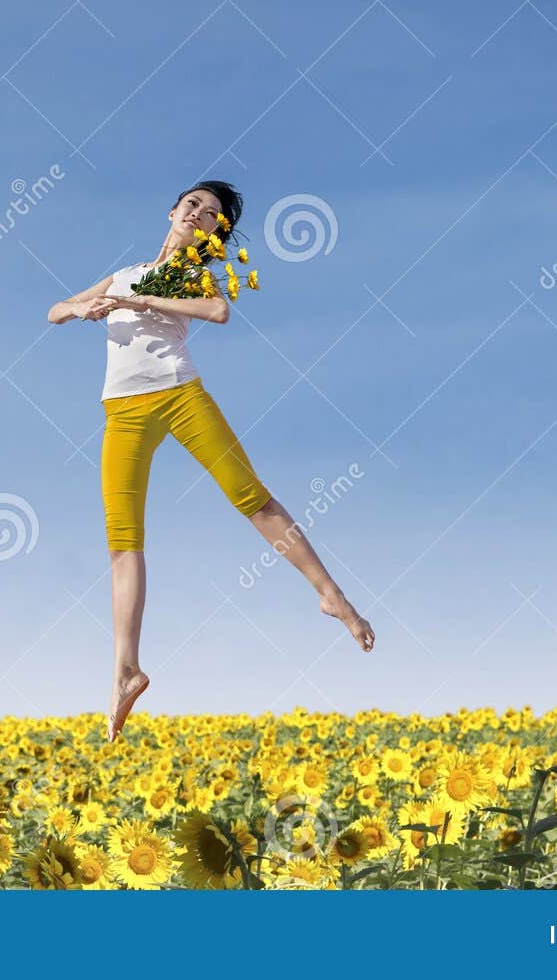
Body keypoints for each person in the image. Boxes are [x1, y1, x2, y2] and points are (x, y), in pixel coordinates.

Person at [45, 180, 375, 742]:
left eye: (211, 215)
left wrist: (142, 301)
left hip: (180, 395)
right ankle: (126, 670)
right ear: (173, 209)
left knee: (249, 494)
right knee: (122, 541)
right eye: (192, 204)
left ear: (213, 233)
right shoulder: (124, 271)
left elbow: (218, 311)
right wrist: (86, 308)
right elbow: (53, 310)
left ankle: (332, 595)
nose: (198, 214)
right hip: (122, 412)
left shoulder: (192, 275)